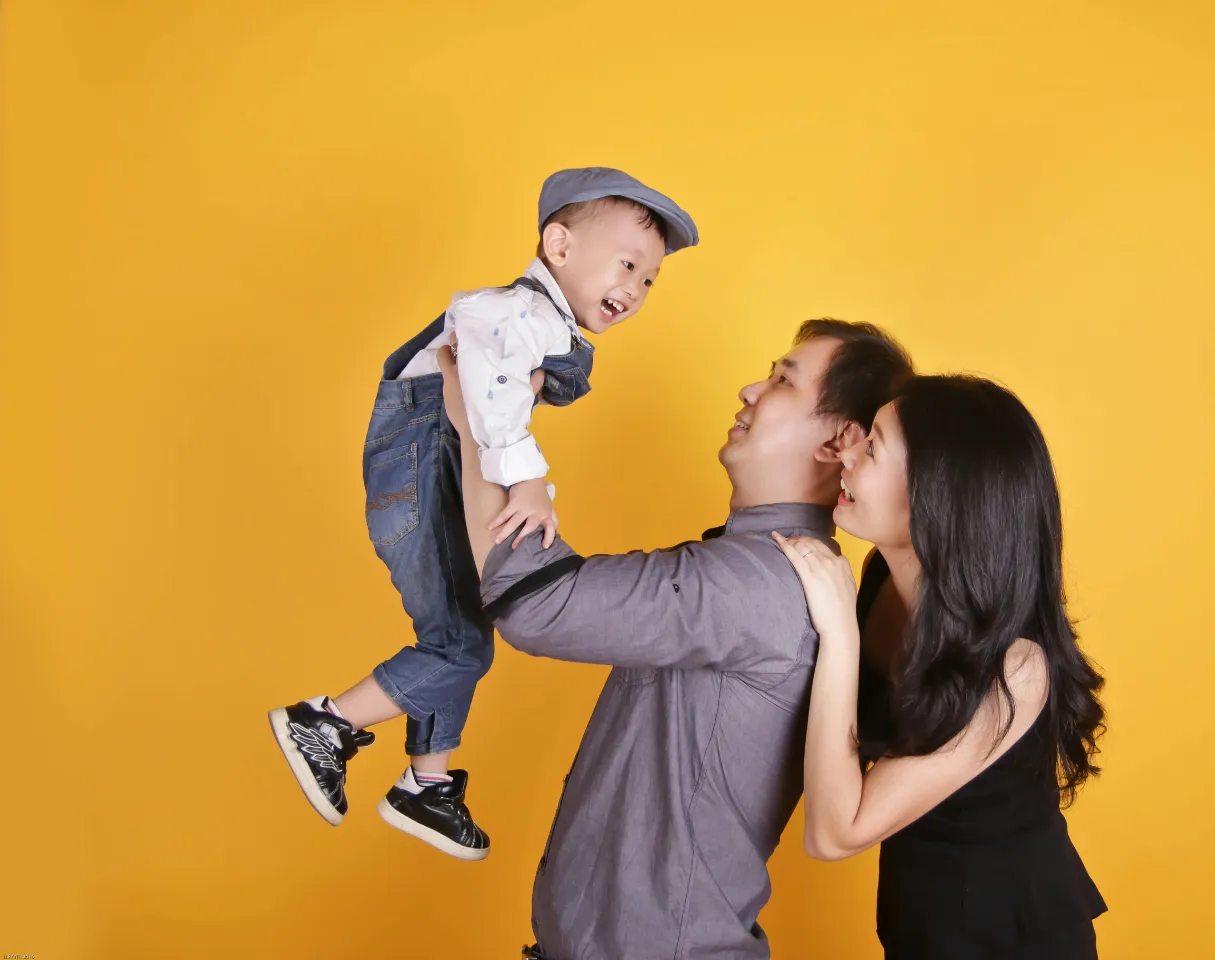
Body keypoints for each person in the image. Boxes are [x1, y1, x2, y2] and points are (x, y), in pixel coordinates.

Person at [437, 319, 914, 958]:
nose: (750, 391)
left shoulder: (756, 581)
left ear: (838, 441)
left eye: (782, 381)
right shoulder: (763, 565)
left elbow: (536, 601)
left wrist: (478, 420)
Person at [267, 167, 699, 859]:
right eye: (627, 264)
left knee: (463, 630)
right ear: (559, 245)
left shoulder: (539, 324)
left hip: (433, 470)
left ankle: (426, 782)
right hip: (417, 472)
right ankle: (324, 723)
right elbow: (492, 396)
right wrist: (529, 481)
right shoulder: (512, 312)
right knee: (461, 646)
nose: (637, 288)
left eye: (650, 279)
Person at [773, 374, 1108, 958]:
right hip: (921, 927)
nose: (848, 453)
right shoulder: (882, 577)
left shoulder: (1016, 670)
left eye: (871, 446)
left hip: (1009, 940)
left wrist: (840, 633)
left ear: (935, 496)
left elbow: (835, 834)